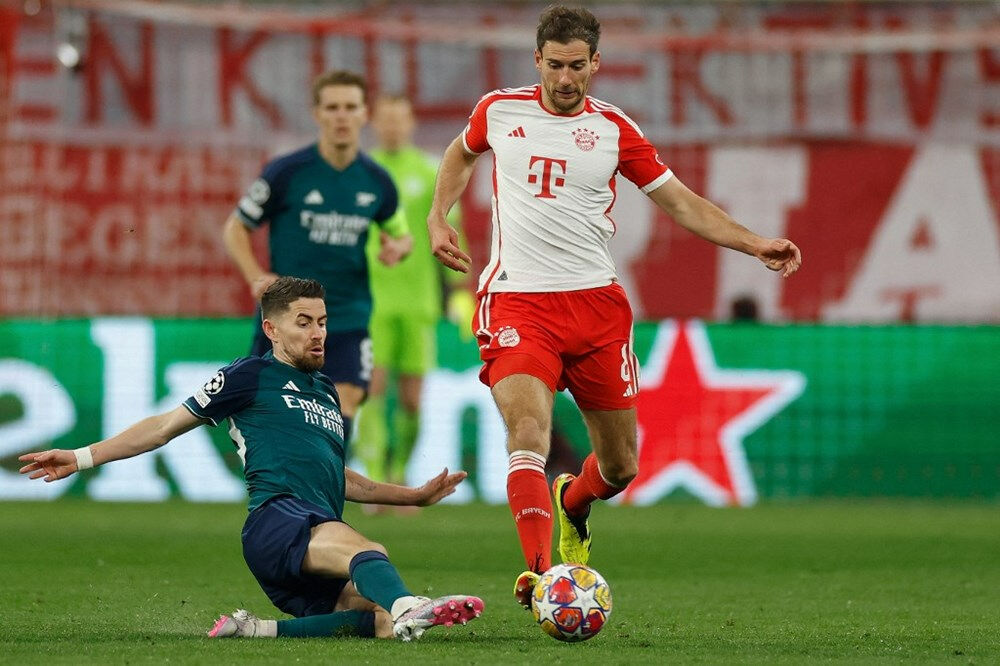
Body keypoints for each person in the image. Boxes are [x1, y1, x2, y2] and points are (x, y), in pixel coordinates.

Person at [426, 5, 802, 608]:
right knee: (528, 430)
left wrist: (754, 241)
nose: (566, 79)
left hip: (598, 306)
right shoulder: (499, 110)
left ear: (596, 63)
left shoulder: (614, 130)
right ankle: (543, 573)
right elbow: (460, 154)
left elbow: (680, 202)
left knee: (622, 466)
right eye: (555, 66)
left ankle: (573, 503)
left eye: (578, 66)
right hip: (517, 300)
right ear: (537, 61)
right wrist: (438, 215)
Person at [18, 277, 484, 642]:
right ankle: (409, 604)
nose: (319, 333)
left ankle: (256, 629)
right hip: (278, 521)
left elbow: (338, 477)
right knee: (371, 553)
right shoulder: (249, 375)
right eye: (303, 322)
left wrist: (414, 496)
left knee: (377, 619)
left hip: (316, 530)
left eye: (322, 322)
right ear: (271, 329)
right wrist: (80, 457)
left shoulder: (324, 390)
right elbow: (162, 427)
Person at [222, 70, 414, 440]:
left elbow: (401, 235)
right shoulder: (286, 172)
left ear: (364, 114)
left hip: (348, 317)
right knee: (268, 419)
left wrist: (398, 247)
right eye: (332, 107)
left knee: (338, 416)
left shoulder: (377, 182)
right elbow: (236, 227)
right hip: (285, 318)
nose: (341, 115)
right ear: (317, 114)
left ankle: (321, 494)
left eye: (350, 107)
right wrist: (254, 275)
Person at [355, 94, 474, 497]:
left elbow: (448, 230)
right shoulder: (361, 172)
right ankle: (377, 479)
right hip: (370, 304)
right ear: (375, 124)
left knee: (411, 401)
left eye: (398, 119)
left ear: (410, 124)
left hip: (419, 305)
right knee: (371, 390)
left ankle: (400, 469)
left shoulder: (428, 173)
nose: (391, 127)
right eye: (384, 120)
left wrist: (460, 294)